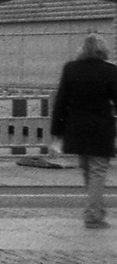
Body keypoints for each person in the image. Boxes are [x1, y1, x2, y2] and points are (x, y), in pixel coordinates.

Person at [50, 33, 117, 228]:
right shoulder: (110, 71)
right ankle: (93, 215)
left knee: (88, 170)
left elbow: (61, 101)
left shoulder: (71, 69)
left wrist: (57, 130)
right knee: (98, 171)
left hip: (76, 128)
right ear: (102, 50)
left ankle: (96, 210)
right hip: (100, 128)